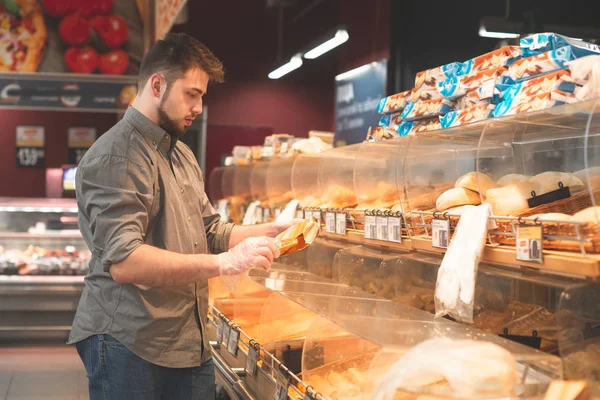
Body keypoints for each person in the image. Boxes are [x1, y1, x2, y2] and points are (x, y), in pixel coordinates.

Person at [68, 32, 294, 400]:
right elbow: (126, 262)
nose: (199, 107)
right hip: (130, 343)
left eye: (202, 96)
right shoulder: (115, 157)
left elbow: (210, 230)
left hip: (187, 341)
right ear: (157, 85)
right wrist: (223, 264)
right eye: (192, 94)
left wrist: (274, 230)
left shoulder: (181, 154)